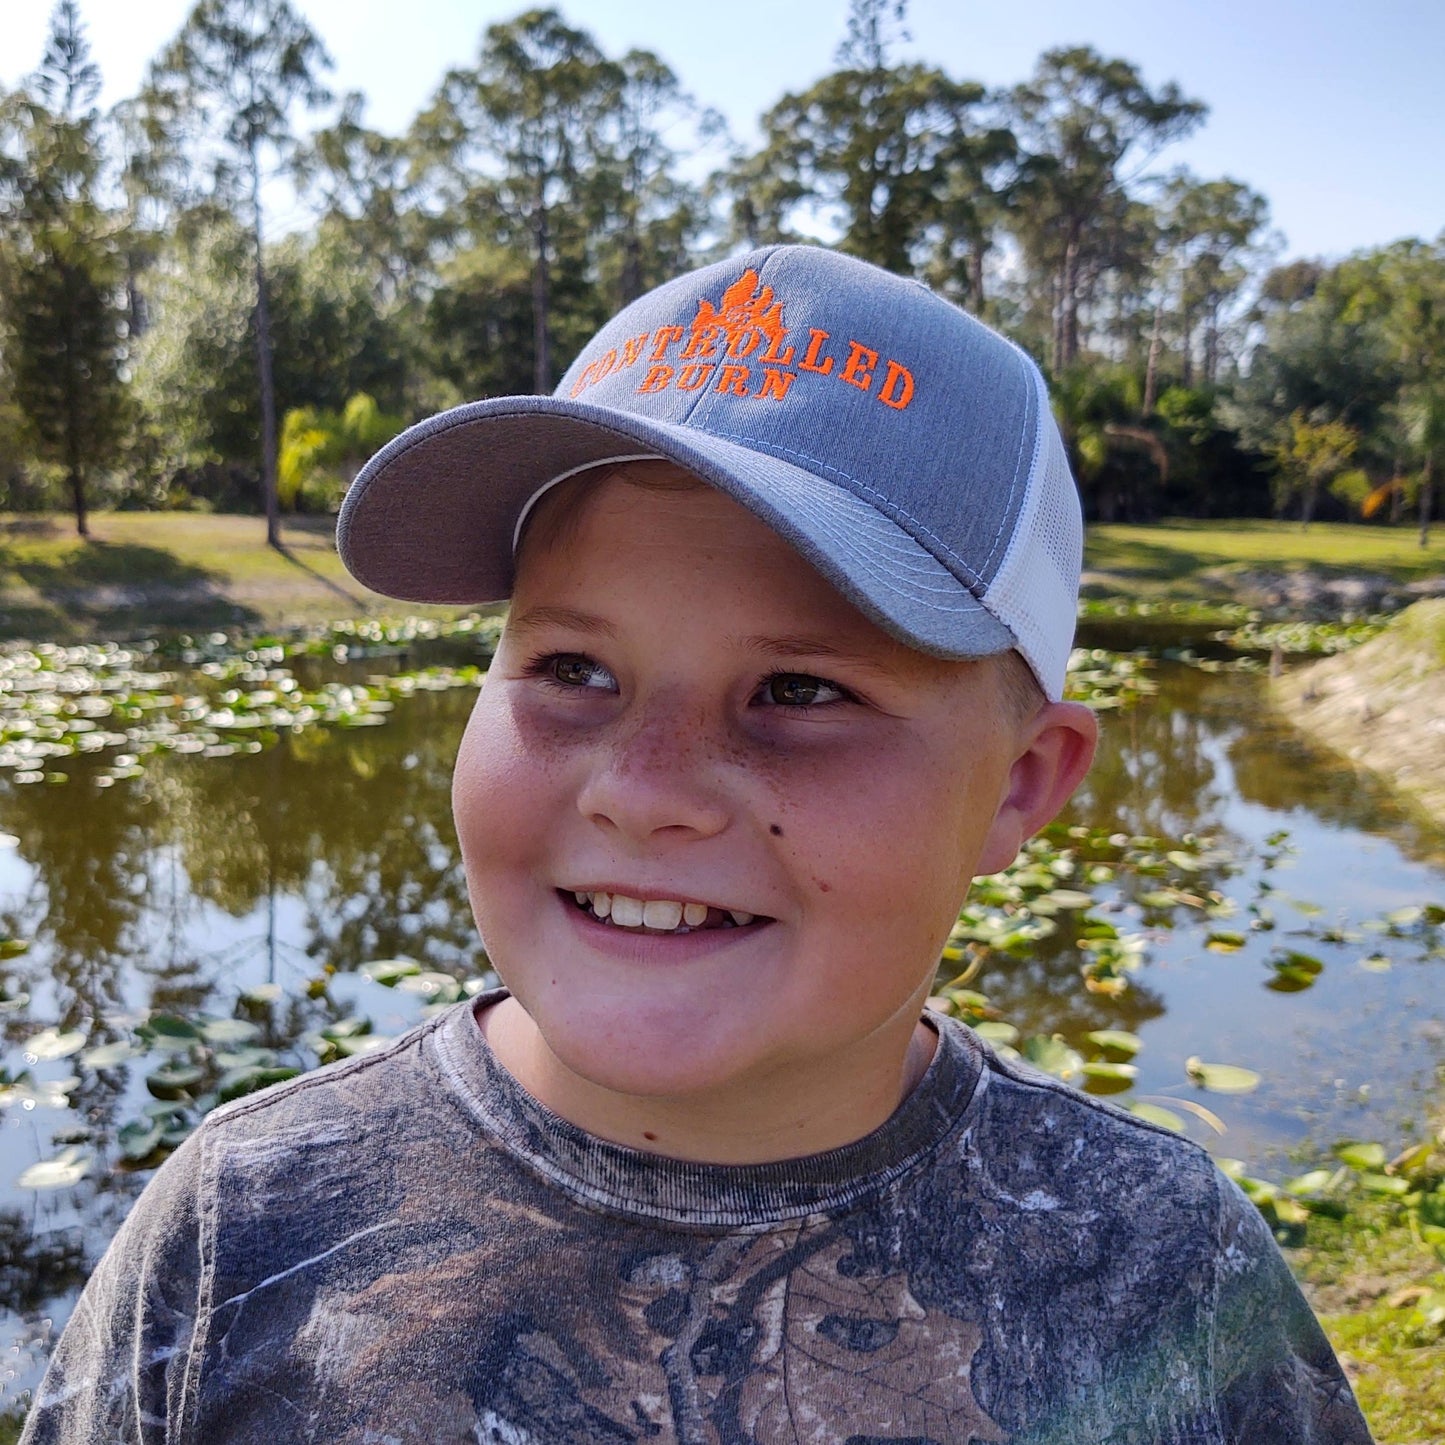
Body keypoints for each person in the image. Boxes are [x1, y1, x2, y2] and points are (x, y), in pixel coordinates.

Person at [23, 246, 1372, 1444]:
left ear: (1020, 783)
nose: (644, 788)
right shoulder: (241, 1230)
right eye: (569, 663)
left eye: (798, 691)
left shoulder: (1159, 1271)